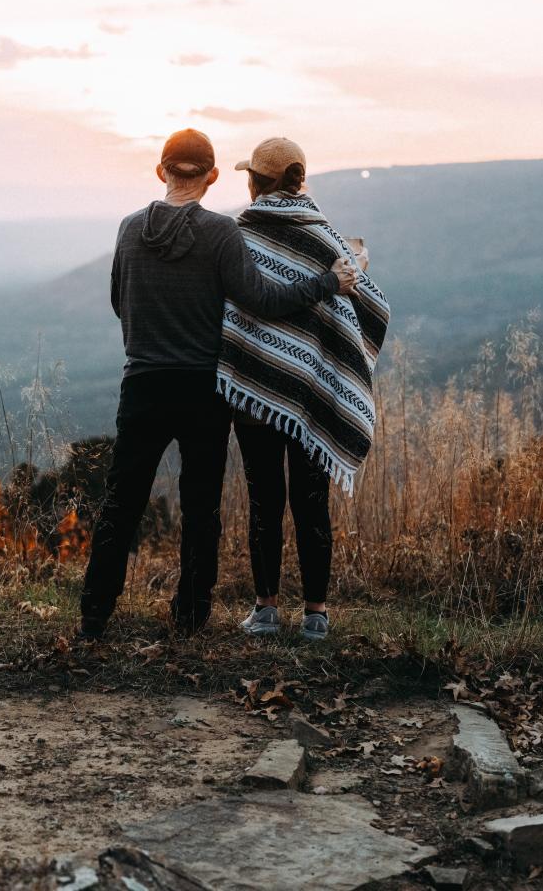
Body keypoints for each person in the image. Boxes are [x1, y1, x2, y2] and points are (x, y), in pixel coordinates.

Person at [77, 128, 358, 641]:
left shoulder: (127, 229)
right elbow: (261, 301)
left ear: (161, 172)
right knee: (200, 506)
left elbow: (120, 301)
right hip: (205, 390)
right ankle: (190, 617)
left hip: (141, 381)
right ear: (210, 177)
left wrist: (149, 338)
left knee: (122, 499)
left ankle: (94, 613)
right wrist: (327, 283)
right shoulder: (222, 234)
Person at [217, 138, 390, 641]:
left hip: (256, 388)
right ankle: (316, 615)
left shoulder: (241, 233)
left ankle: (266, 609)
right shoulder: (326, 237)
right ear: (299, 179)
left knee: (263, 498)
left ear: (255, 181)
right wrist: (356, 264)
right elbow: (370, 303)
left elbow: (244, 300)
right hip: (314, 394)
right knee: (312, 501)